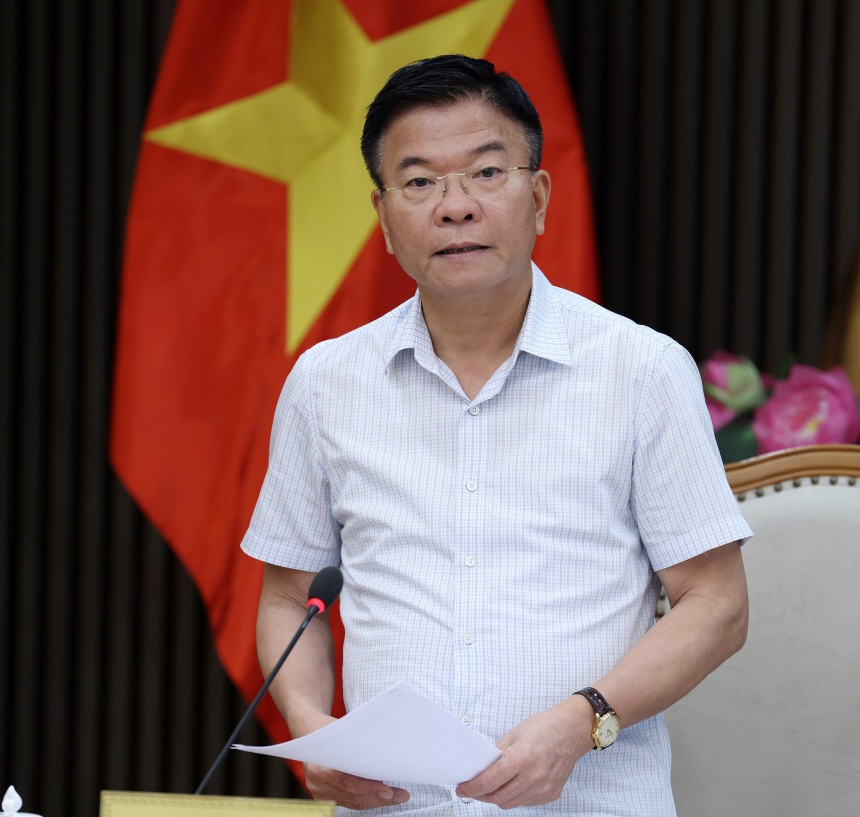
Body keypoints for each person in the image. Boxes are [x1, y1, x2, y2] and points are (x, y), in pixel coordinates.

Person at [241, 54, 751, 815]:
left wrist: (584, 721)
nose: (456, 207)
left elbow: (717, 602)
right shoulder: (326, 383)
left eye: (486, 172)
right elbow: (288, 598)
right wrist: (315, 727)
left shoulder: (641, 369)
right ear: (382, 216)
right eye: (420, 183)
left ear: (539, 196)